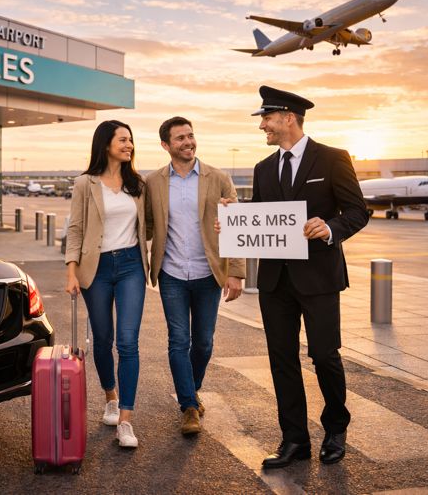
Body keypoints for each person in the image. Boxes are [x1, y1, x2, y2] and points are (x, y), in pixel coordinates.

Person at [247, 86, 369, 468]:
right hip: (275, 281)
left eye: (266, 118)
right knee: (281, 358)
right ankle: (294, 440)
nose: (262, 126)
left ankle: (335, 428)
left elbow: (357, 211)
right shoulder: (263, 168)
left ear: (288, 118)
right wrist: (234, 219)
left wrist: (330, 227)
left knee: (324, 354)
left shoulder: (332, 159)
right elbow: (260, 218)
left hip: (318, 277)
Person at [145, 116, 245, 435]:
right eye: (180, 139)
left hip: (207, 273)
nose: (188, 142)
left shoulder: (218, 178)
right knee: (179, 340)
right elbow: (145, 226)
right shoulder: (154, 182)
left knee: (203, 342)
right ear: (166, 145)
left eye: (191, 136)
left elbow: (236, 226)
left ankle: (192, 388)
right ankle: (188, 406)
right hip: (172, 272)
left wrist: (236, 273)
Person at [65, 119, 149, 448]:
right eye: (122, 140)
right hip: (95, 268)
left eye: (131, 140)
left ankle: (125, 420)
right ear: (106, 145)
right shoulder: (85, 183)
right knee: (103, 339)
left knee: (128, 342)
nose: (129, 145)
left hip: (130, 266)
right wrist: (72, 271)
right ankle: (110, 397)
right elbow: (76, 229)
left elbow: (153, 224)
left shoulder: (138, 184)